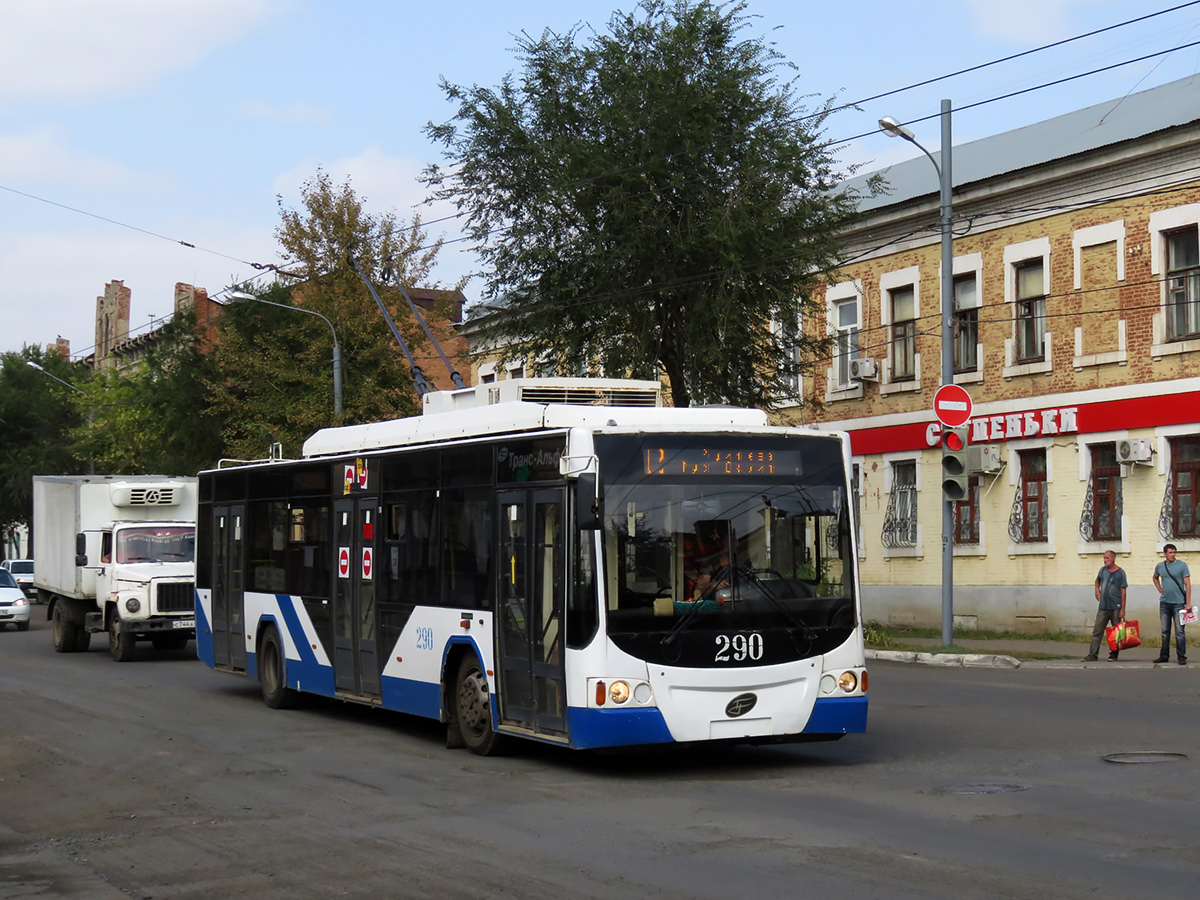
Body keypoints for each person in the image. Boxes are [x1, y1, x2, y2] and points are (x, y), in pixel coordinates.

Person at [1084, 550, 1127, 662]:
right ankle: (1092, 654)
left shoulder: (1120, 573)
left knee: (1115, 632)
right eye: (1104, 558)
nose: (1105, 560)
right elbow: (1097, 581)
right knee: (1097, 631)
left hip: (1115, 607)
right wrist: (1097, 590)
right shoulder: (1102, 571)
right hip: (1103, 606)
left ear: (1113, 559)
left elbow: (1123, 591)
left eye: (1107, 558)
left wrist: (1122, 609)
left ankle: (1113, 654)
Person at [1152, 543, 1191, 665]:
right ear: (1165, 554)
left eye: (1174, 552)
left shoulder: (1182, 566)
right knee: (1165, 631)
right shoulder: (1160, 566)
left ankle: (1181, 656)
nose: (1173, 555)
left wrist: (1188, 603)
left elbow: (1187, 585)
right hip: (1165, 603)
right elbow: (1155, 577)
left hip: (1179, 603)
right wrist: (1159, 588)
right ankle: (1164, 655)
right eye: (1170, 552)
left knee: (1179, 631)